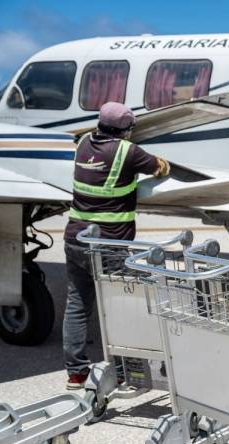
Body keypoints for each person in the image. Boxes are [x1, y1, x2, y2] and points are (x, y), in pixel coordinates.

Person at [62, 102, 170, 390]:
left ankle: (76, 373)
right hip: (109, 242)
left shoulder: (84, 142)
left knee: (77, 304)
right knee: (119, 305)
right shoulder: (128, 152)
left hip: (75, 237)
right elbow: (161, 167)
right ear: (126, 129)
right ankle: (123, 369)